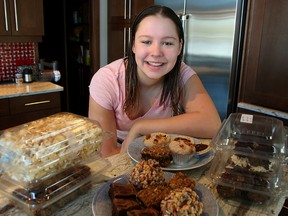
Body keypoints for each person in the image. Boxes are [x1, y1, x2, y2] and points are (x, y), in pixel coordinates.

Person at [89, 5, 221, 157]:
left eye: (168, 43)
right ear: (133, 45)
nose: (156, 53)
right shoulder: (107, 80)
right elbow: (106, 154)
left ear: (179, 47)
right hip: (119, 154)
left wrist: (141, 127)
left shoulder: (182, 75)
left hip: (163, 153)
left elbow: (212, 124)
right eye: (146, 41)